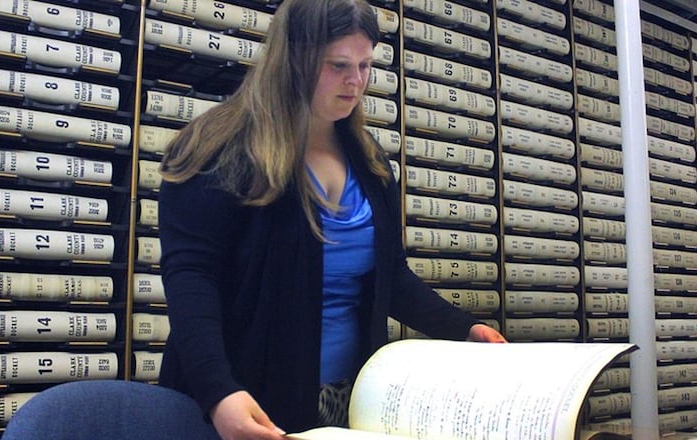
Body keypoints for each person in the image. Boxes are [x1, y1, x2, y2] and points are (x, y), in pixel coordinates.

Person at [157, 0, 507, 439]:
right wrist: (218, 393)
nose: (355, 81)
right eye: (338, 65)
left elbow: (391, 277)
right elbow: (192, 281)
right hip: (241, 401)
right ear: (293, 58)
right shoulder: (217, 149)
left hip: (347, 400)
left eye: (365, 65)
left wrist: (464, 328)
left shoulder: (369, 161)